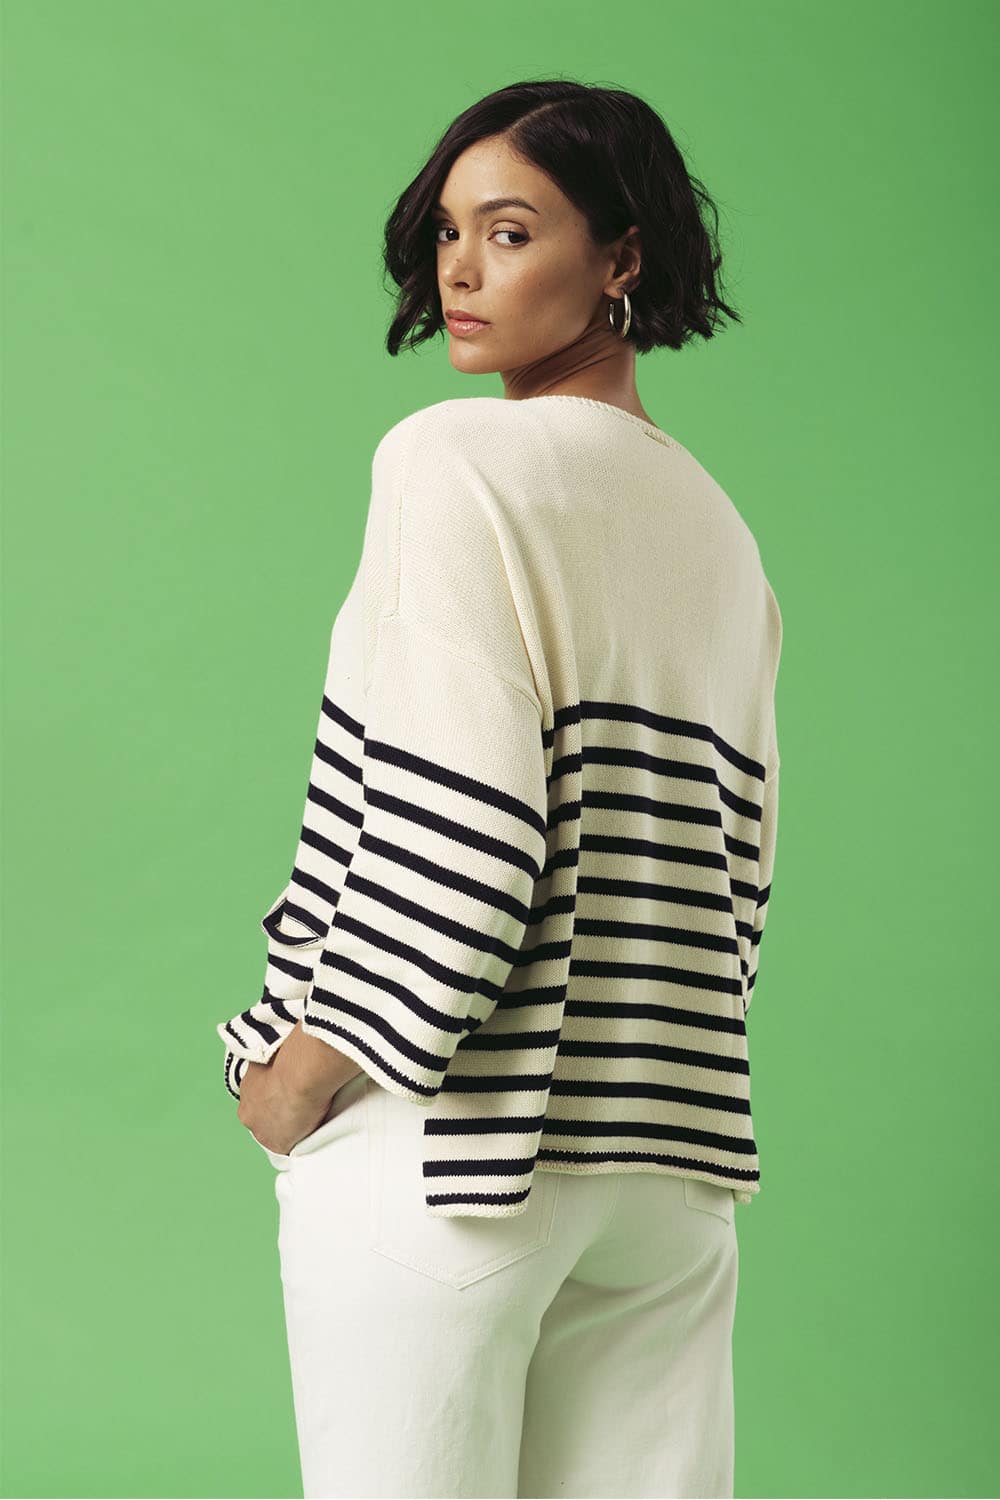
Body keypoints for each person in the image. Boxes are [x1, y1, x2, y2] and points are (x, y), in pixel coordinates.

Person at [216, 77, 783, 1500]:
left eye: (512, 232)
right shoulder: (723, 534)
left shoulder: (451, 460)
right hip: (665, 1174)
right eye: (449, 233)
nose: (462, 270)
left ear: (623, 255)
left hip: (457, 1146)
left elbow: (463, 831)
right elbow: (741, 875)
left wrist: (305, 1067)